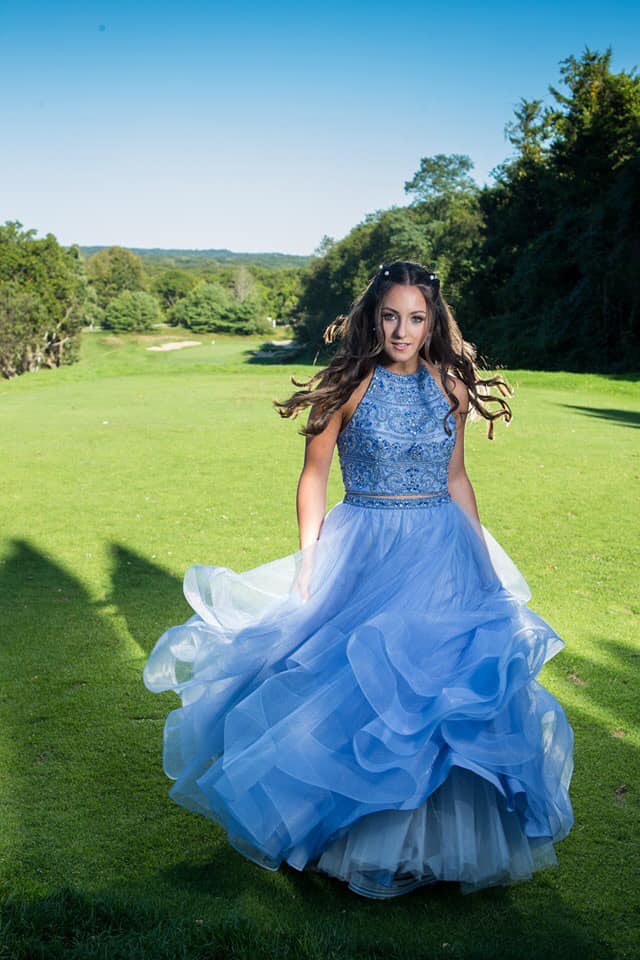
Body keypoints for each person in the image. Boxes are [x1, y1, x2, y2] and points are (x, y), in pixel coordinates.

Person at [142, 260, 574, 899]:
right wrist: (310, 562)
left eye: (417, 318)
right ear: (374, 317)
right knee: (359, 690)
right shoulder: (350, 384)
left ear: (433, 323)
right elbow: (315, 474)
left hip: (441, 548)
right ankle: (346, 837)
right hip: (364, 549)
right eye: (391, 316)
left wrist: (482, 563)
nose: (403, 330)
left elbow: (456, 478)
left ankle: (431, 849)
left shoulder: (450, 385)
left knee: (439, 696)